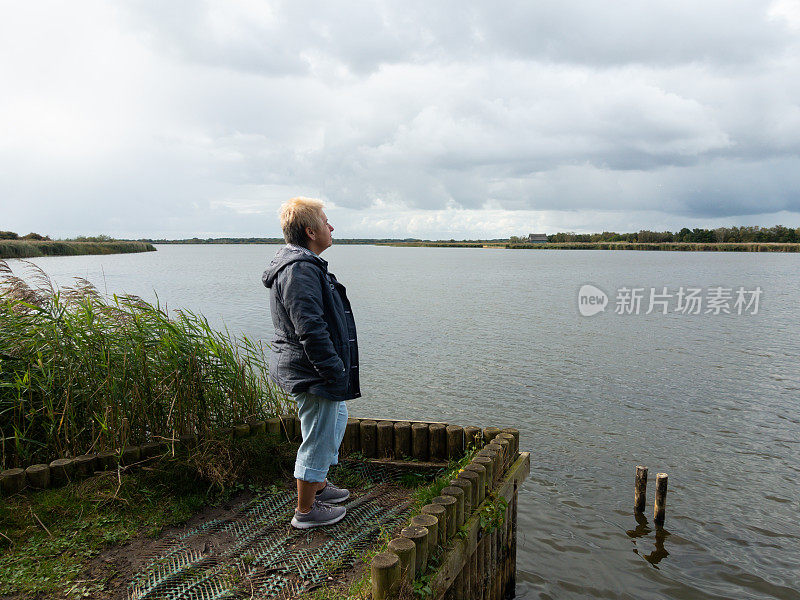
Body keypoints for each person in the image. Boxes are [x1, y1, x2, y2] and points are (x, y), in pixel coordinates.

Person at [262, 197, 361, 529]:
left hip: (311, 367)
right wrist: (333, 370)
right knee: (318, 434)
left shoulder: (305, 264)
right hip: (312, 370)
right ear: (310, 230)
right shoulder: (300, 269)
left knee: (334, 420)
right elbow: (310, 328)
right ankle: (305, 512)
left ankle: (318, 485)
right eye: (325, 221)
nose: (331, 227)